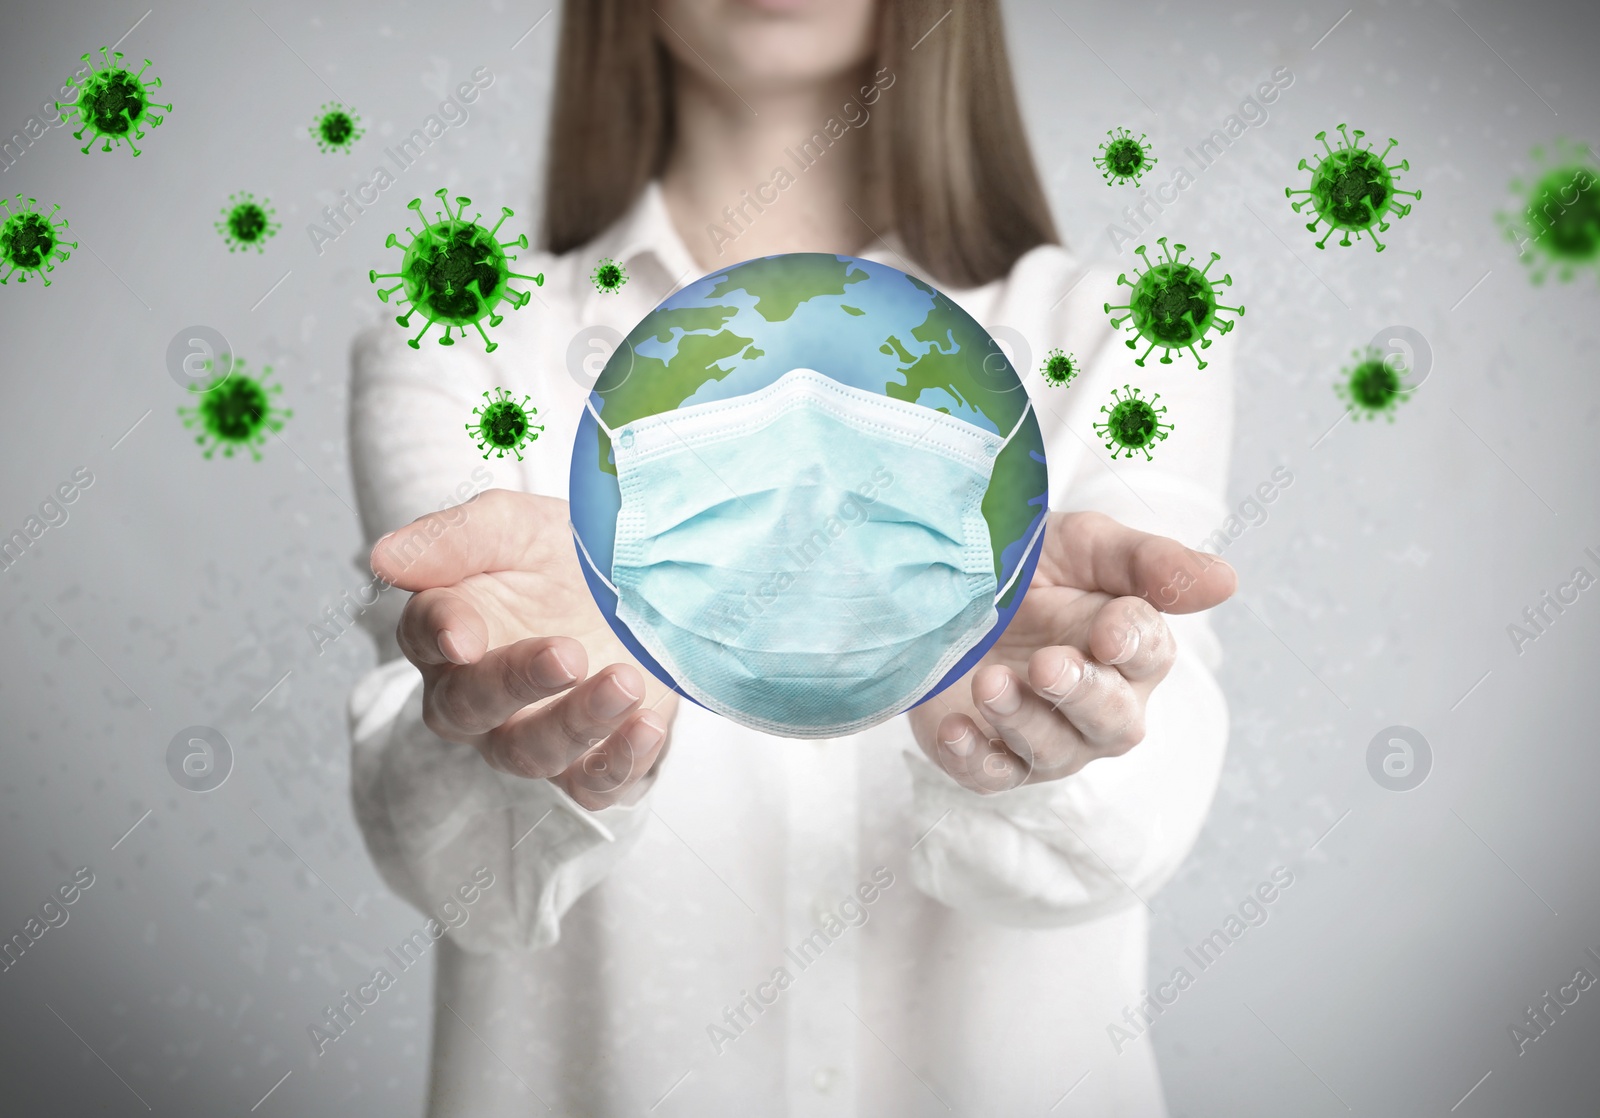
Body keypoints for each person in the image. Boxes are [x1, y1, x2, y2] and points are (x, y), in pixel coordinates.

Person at [347, 1, 1237, 1114]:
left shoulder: (1124, 333)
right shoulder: (461, 345)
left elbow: (1135, 828)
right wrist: (532, 723)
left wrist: (1057, 721)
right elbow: (458, 869)